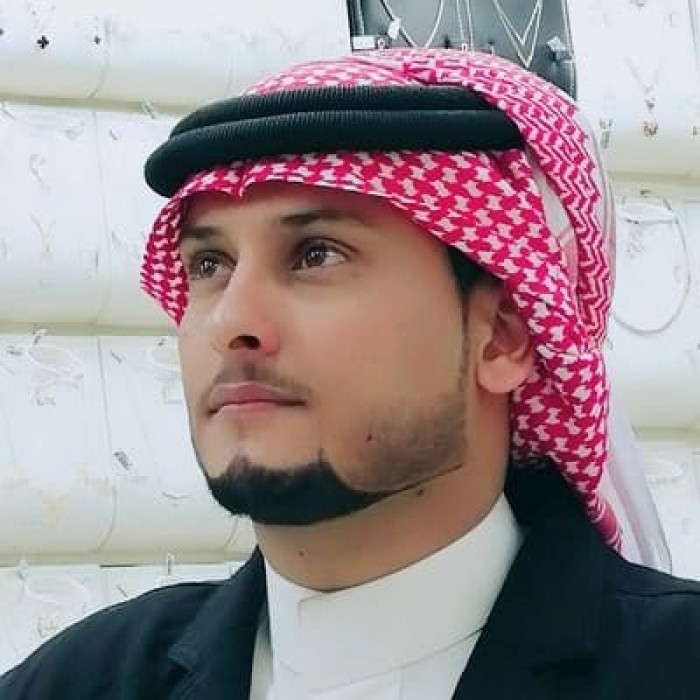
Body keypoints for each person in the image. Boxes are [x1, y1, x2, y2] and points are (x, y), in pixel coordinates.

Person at [2, 47, 700, 699]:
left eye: (317, 254)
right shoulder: (80, 682)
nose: (230, 321)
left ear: (504, 336)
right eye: (209, 264)